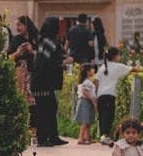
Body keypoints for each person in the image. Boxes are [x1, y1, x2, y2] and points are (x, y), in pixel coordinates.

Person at [30, 16, 70, 146]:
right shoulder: (49, 43)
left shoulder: (46, 42)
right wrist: (61, 64)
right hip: (41, 82)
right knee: (43, 109)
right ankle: (42, 139)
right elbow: (46, 64)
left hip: (44, 82)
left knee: (51, 107)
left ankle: (53, 136)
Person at [96, 48, 137, 145]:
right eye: (119, 55)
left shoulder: (102, 67)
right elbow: (133, 69)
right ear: (115, 56)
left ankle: (103, 136)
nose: (120, 57)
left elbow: (96, 81)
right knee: (108, 115)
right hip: (110, 94)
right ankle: (105, 136)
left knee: (102, 116)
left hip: (100, 95)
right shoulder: (118, 66)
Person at [73, 64, 97, 145]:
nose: (94, 70)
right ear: (87, 71)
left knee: (88, 121)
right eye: (92, 69)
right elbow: (85, 91)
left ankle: (87, 138)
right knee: (85, 121)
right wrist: (92, 99)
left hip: (87, 102)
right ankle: (81, 138)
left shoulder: (88, 81)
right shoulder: (86, 82)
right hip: (85, 102)